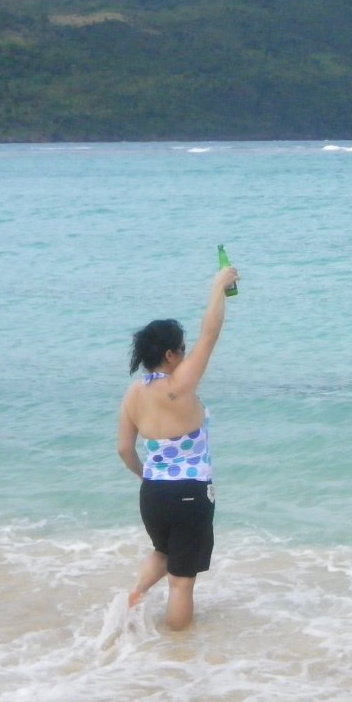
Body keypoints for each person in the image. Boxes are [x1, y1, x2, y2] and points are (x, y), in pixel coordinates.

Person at [117, 265, 238, 630]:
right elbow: (210, 334)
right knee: (181, 583)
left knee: (163, 552)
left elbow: (124, 448)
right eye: (182, 350)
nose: (187, 355)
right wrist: (218, 286)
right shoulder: (177, 386)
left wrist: (146, 476)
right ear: (170, 355)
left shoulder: (134, 393)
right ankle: (178, 656)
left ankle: (132, 599)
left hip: (153, 494)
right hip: (189, 493)